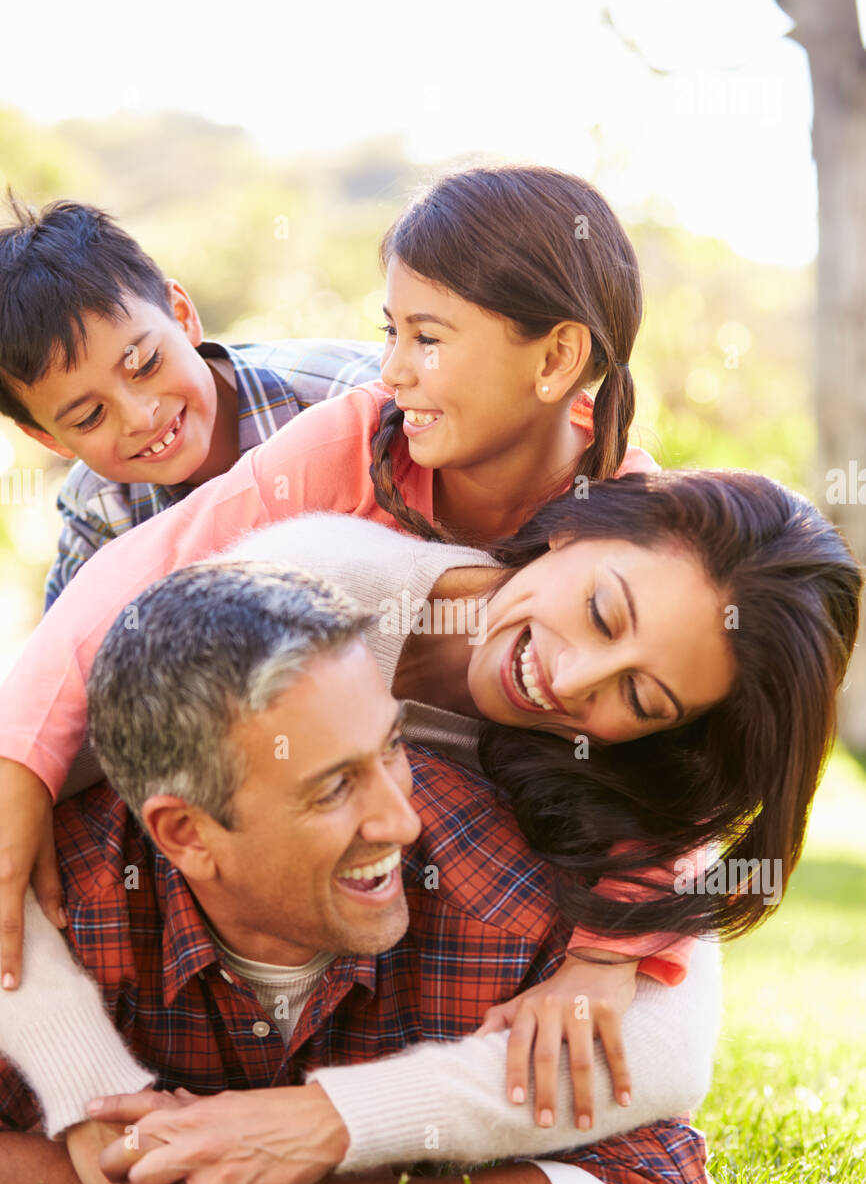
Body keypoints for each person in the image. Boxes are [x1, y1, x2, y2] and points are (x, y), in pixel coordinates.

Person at [1, 470, 860, 1145]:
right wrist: (86, 1102)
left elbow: (668, 1063)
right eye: (600, 613)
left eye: (639, 694)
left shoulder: (620, 773)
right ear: (576, 525)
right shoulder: (308, 583)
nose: (568, 680)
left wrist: (342, 1121)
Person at [0, 161, 656, 987]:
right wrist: (17, 766)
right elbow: (123, 599)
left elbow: (692, 763)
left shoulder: (615, 515)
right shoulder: (354, 434)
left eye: (424, 338)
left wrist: (609, 956)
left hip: (496, 787)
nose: (394, 370)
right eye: (391, 333)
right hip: (289, 760)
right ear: (53, 442)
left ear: (180, 313)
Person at [0, 559, 722, 1184]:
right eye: (335, 788)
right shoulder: (57, 909)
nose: (401, 823)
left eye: (392, 748)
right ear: (186, 834)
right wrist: (126, 1182)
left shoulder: (507, 903)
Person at [0, 196, 385, 611]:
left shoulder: (352, 398)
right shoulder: (102, 505)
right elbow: (73, 655)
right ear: (47, 438)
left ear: (182, 317)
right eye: (90, 416)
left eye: (145, 364)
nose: (139, 416)